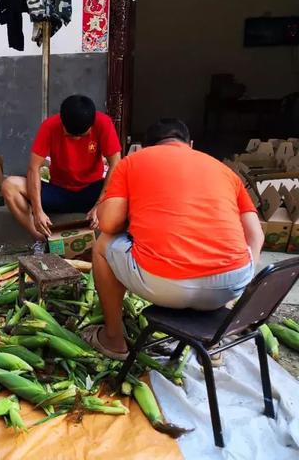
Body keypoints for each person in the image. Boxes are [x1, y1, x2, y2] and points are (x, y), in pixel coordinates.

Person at [83, 119, 264, 360]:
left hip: (163, 284)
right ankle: (211, 340)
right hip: (229, 287)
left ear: (146, 147)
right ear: (190, 144)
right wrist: (238, 277)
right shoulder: (224, 170)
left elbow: (109, 224)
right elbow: (256, 235)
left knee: (103, 245)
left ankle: (113, 339)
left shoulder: (133, 162)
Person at [2, 95, 122, 253]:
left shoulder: (104, 123)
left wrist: (100, 204)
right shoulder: (49, 126)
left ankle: (117, 245)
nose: (77, 139)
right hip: (59, 192)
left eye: (83, 135)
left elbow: (116, 164)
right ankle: (40, 238)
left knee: (130, 186)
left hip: (92, 190)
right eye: (72, 135)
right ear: (62, 122)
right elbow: (33, 168)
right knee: (9, 185)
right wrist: (38, 211)